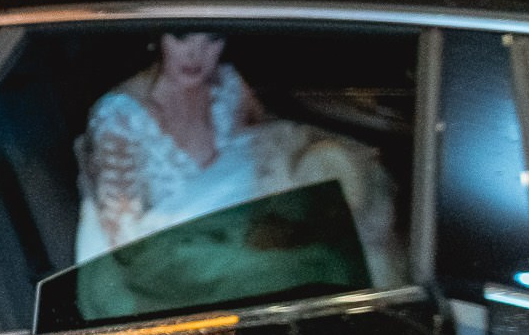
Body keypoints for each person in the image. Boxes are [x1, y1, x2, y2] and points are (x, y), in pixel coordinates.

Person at [77, 32, 405, 286]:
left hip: (257, 220)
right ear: (159, 37)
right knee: (328, 264)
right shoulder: (122, 115)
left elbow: (274, 139)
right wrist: (245, 245)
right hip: (180, 253)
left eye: (211, 40)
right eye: (182, 38)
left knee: (366, 246)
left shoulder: (228, 84)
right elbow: (125, 241)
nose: (196, 54)